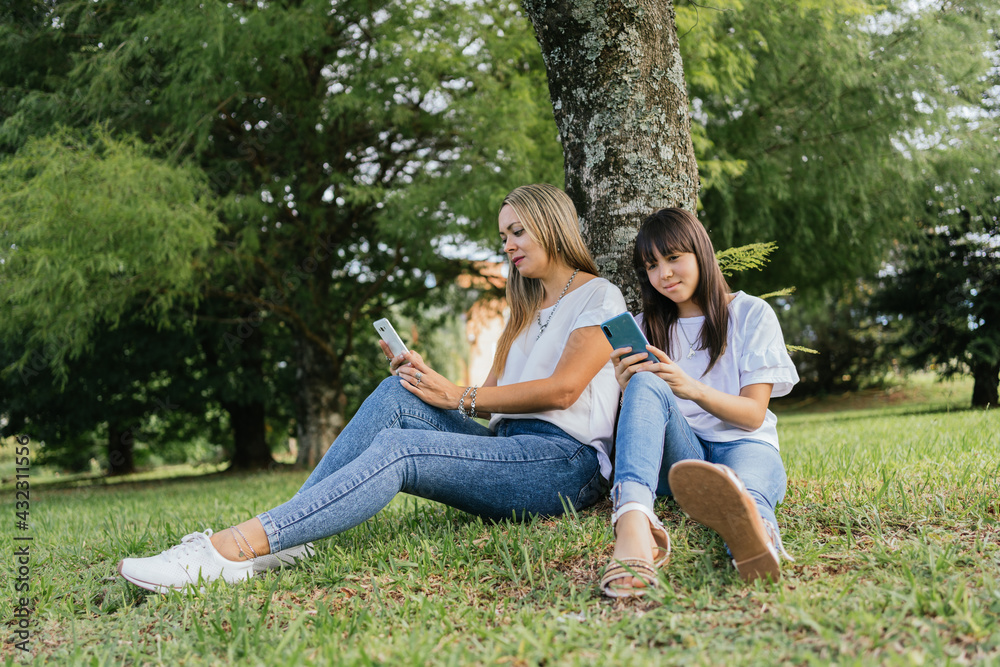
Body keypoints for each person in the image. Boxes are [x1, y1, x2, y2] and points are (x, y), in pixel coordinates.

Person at [118, 183, 627, 593]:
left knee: (401, 450)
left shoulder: (598, 295)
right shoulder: (521, 311)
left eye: (518, 232)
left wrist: (458, 396)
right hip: (508, 445)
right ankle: (291, 535)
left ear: (552, 224)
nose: (508, 246)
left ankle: (231, 549)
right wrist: (434, 383)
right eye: (503, 237)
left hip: (564, 463)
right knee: (398, 393)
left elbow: (563, 391)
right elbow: (481, 404)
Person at [600, 208, 799, 598]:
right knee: (642, 382)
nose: (664, 275)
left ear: (701, 252)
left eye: (674, 258)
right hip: (682, 454)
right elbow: (643, 424)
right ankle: (634, 522)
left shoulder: (749, 313)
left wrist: (691, 388)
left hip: (744, 444)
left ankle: (757, 545)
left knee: (748, 497)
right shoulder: (643, 327)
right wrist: (628, 388)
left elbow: (752, 415)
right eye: (652, 266)